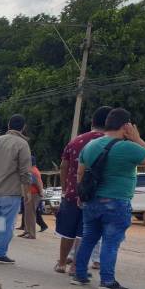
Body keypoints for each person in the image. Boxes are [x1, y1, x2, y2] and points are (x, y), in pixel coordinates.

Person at [71, 108, 145, 289]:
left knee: (88, 239)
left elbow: (80, 173)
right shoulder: (127, 147)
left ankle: (79, 275)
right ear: (126, 126)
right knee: (110, 242)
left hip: (91, 201)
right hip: (116, 202)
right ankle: (107, 281)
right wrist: (137, 139)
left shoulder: (91, 145)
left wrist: (81, 195)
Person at [54, 106, 111, 274]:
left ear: (92, 122)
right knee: (85, 233)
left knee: (68, 232)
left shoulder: (76, 141)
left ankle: (62, 263)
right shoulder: (113, 144)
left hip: (72, 194)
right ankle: (76, 267)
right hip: (97, 196)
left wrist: (65, 189)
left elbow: (64, 165)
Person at [0, 114, 32, 264]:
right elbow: (25, 171)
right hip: (10, 191)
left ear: (8, 124)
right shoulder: (22, 144)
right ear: (23, 127)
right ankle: (0, 253)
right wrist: (28, 191)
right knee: (6, 224)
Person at [18, 156, 47, 239]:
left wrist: (41, 192)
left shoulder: (32, 171)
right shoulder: (32, 170)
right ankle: (27, 231)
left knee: (31, 214)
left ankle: (31, 233)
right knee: (27, 214)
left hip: (33, 194)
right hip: (29, 194)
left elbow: (38, 183)